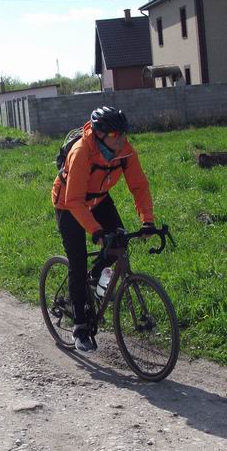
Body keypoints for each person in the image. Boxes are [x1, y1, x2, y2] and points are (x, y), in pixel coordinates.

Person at [50, 106, 156, 352]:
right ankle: (79, 327)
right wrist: (95, 230)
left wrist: (147, 221)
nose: (121, 139)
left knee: (119, 241)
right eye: (115, 135)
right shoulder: (81, 152)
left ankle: (95, 276)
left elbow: (139, 186)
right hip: (69, 204)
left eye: (123, 134)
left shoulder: (125, 151)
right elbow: (74, 200)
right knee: (77, 261)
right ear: (99, 134)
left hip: (98, 199)